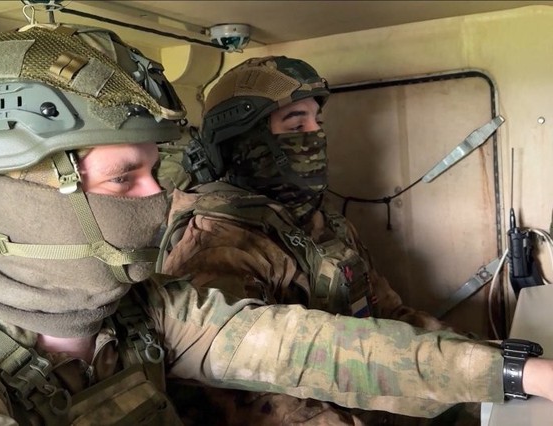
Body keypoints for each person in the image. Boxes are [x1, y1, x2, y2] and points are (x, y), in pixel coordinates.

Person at [0, 24, 553, 426]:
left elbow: (310, 350)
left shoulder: (143, 311)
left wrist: (514, 372)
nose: (161, 199)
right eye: (123, 179)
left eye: (155, 171)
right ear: (16, 199)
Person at [159, 56, 462, 424]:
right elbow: (249, 403)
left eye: (318, 122)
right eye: (296, 124)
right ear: (244, 141)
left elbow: (387, 314)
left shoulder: (321, 221)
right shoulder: (218, 245)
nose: (315, 134)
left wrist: (468, 362)